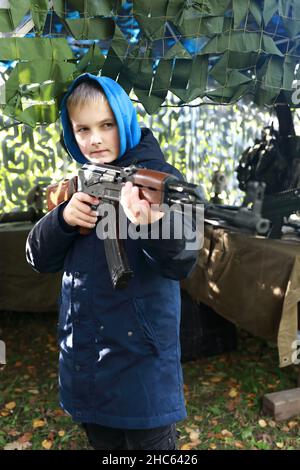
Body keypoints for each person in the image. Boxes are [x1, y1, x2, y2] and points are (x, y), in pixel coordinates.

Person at [26, 73, 199, 450]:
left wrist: (155, 222)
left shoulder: (160, 180)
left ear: (124, 119)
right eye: (83, 129)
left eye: (107, 125)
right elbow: (38, 256)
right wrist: (62, 220)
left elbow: (185, 257)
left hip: (142, 366)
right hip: (86, 362)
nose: (96, 139)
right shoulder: (77, 184)